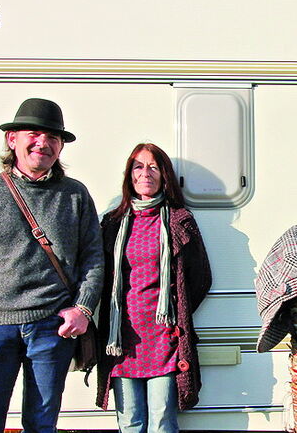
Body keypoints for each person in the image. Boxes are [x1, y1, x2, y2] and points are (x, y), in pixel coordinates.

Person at [0, 98, 102, 433]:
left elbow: (93, 258)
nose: (44, 143)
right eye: (34, 134)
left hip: (51, 328)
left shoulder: (75, 195)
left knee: (42, 426)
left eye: (53, 138)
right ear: (12, 139)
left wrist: (82, 309)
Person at [96, 143, 212, 433]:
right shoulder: (112, 223)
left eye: (153, 167)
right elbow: (98, 276)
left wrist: (176, 313)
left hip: (164, 338)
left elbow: (201, 277)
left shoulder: (179, 220)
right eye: (138, 166)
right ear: (129, 175)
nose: (145, 173)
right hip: (121, 338)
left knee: (162, 421)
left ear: (164, 175)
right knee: (130, 421)